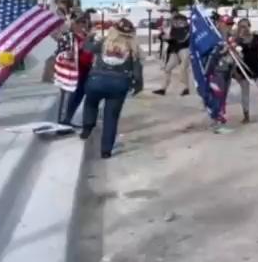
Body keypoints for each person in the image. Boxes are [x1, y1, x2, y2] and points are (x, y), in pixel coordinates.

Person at [80, 18, 143, 158]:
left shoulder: (104, 42)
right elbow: (137, 73)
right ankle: (106, 150)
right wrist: (137, 86)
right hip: (119, 84)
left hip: (96, 80)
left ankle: (87, 127)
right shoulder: (133, 49)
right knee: (111, 117)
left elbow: (87, 49)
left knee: (91, 102)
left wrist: (88, 37)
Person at [229, 18, 258, 123]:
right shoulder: (236, 41)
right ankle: (246, 116)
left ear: (249, 26)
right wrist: (235, 72)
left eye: (245, 26)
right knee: (245, 93)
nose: (244, 29)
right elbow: (233, 56)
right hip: (244, 70)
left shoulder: (256, 38)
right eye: (241, 26)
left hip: (257, 69)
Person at [58, 15, 95, 126]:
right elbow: (68, 52)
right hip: (74, 72)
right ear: (76, 25)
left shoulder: (85, 36)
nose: (85, 26)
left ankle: (69, 118)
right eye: (83, 23)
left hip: (86, 71)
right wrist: (84, 42)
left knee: (79, 96)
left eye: (87, 24)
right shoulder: (70, 37)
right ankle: (64, 120)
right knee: (71, 96)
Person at [155, 13, 191, 96]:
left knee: (183, 68)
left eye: (179, 21)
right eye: (175, 21)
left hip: (184, 49)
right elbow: (169, 39)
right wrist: (162, 36)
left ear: (184, 21)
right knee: (167, 69)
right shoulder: (173, 29)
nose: (176, 23)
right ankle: (163, 88)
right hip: (175, 51)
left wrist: (170, 38)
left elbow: (183, 40)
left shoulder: (189, 29)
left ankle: (186, 88)